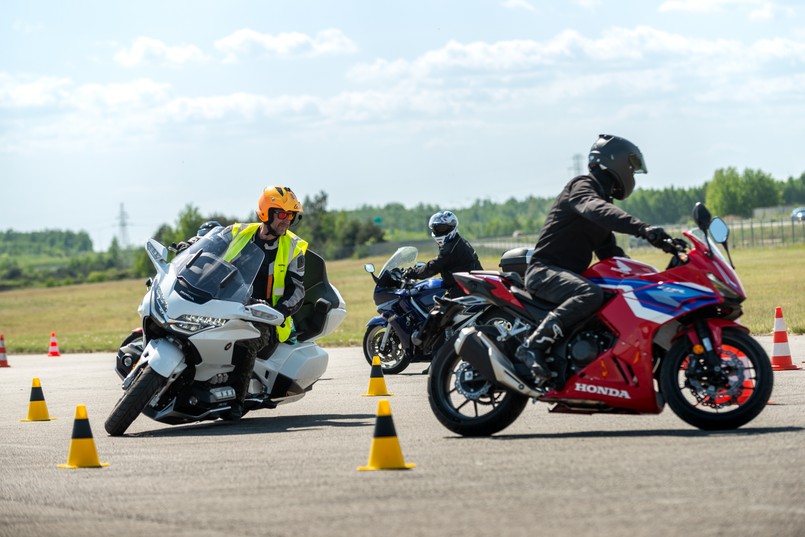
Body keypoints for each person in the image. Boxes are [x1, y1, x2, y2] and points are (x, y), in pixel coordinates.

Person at [515, 134, 671, 388]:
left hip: (563, 275)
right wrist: (643, 229)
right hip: (545, 272)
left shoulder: (599, 202)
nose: (632, 171)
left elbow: (611, 254)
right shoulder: (582, 187)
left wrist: (649, 279)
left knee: (618, 296)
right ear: (617, 162)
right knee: (590, 294)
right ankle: (533, 346)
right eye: (631, 164)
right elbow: (594, 208)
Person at [219, 186, 308, 421]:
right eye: (281, 214)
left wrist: (277, 313)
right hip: (227, 306)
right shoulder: (238, 232)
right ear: (265, 213)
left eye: (290, 216)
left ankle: (235, 403)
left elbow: (298, 291)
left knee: (247, 338)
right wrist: (188, 248)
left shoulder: (293, 247)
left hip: (265, 318)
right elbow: (208, 244)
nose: (286, 221)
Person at [403, 210, 483, 297]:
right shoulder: (456, 241)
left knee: (436, 308)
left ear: (452, 227)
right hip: (469, 285)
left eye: (442, 228)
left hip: (464, 289)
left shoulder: (452, 247)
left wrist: (411, 273)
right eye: (436, 228)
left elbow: (434, 266)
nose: (439, 231)